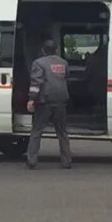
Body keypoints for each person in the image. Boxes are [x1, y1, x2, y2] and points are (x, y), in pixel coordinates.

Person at [26, 39, 72, 170]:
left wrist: (31, 99)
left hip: (44, 102)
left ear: (43, 50)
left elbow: (36, 83)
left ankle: (32, 161)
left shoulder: (39, 63)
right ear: (56, 50)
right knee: (62, 132)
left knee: (36, 131)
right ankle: (66, 161)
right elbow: (66, 79)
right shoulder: (64, 63)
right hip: (61, 101)